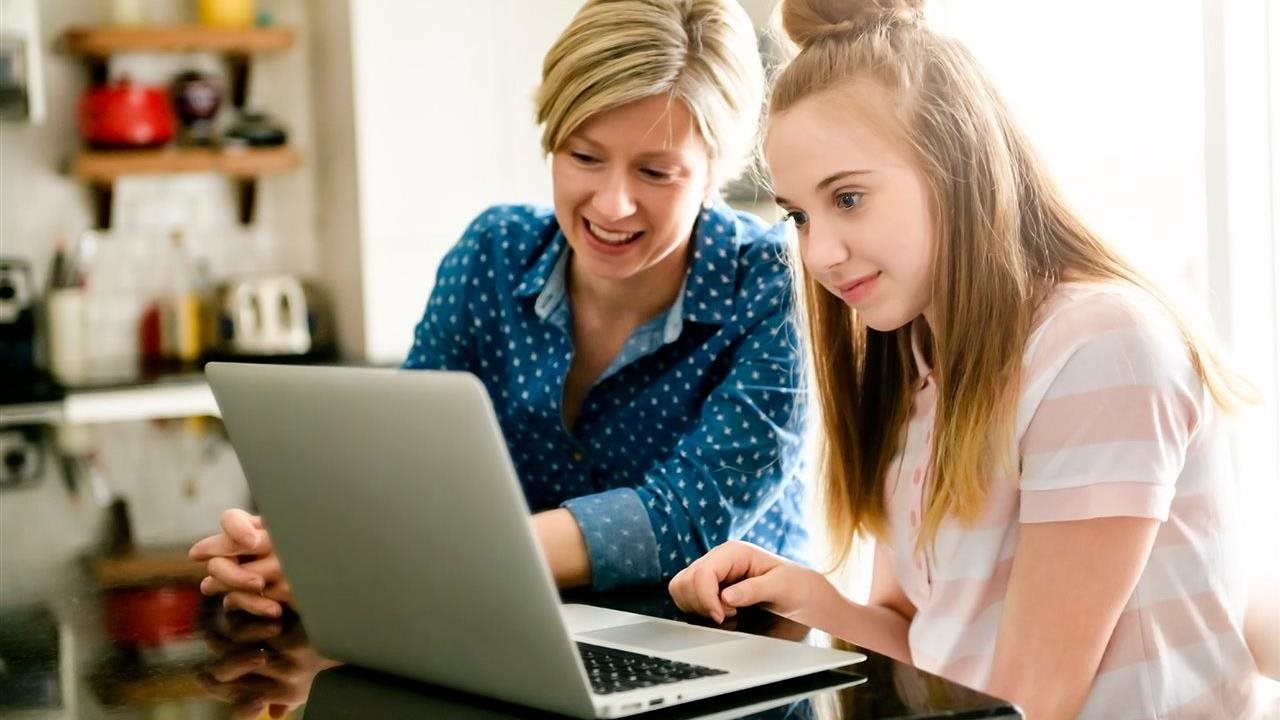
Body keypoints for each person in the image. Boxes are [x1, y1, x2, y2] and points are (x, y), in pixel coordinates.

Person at [669, 1, 1267, 718]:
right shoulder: (916, 363)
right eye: (799, 215)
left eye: (849, 198)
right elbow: (929, 644)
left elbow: (1029, 700)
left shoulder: (1099, 346)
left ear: (954, 163)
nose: (819, 252)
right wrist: (813, 599)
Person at [191, 0, 812, 617]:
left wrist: (379, 559)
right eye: (584, 157)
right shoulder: (494, 254)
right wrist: (297, 547)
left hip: (741, 654)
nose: (613, 203)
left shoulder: (777, 286)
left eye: (655, 172)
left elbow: (685, 515)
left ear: (714, 173)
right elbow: (410, 460)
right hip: (522, 633)